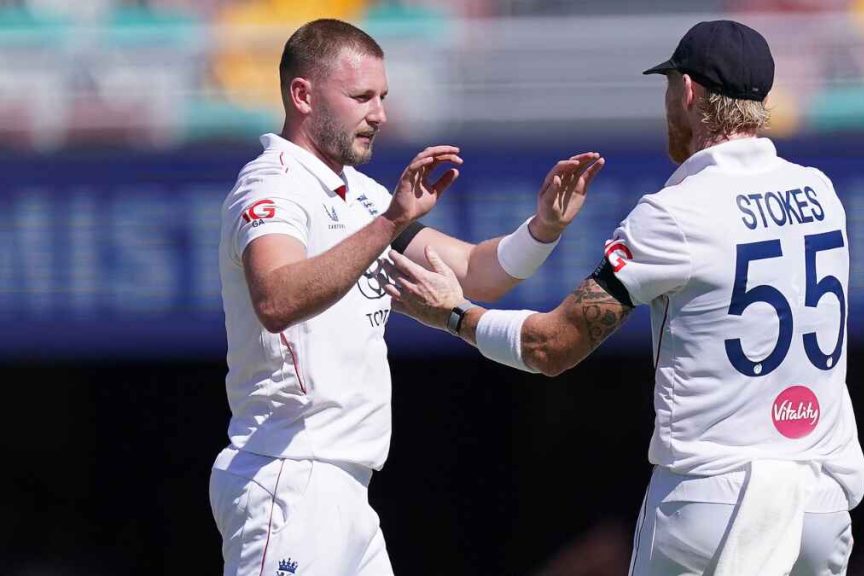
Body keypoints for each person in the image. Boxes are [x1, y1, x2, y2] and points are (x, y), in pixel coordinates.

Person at [387, 20, 864, 576]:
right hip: (822, 505)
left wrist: (451, 313)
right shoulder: (820, 193)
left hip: (717, 501)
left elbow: (551, 347)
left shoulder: (676, 212)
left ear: (686, 92)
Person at [209, 19, 604, 576]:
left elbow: (472, 273)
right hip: (288, 476)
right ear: (302, 95)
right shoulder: (272, 185)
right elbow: (276, 299)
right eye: (361, 96)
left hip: (348, 489)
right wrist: (391, 220)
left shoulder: (360, 194)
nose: (380, 114)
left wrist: (542, 228)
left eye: (384, 97)